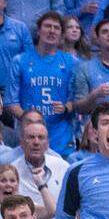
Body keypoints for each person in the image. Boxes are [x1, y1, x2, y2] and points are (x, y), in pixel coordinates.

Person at [6, 13, 78, 157]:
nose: (51, 31)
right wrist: (29, 118)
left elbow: (79, 100)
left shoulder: (72, 63)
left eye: (56, 28)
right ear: (38, 31)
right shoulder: (20, 61)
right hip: (28, 140)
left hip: (61, 139)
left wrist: (66, 107)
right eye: (47, 26)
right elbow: (10, 101)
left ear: (62, 35)